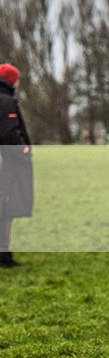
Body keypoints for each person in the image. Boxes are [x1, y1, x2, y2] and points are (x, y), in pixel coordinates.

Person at [0, 64, 33, 268]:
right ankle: (3, 255)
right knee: (5, 208)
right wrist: (24, 151)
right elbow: (9, 133)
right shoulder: (5, 102)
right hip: (7, 165)